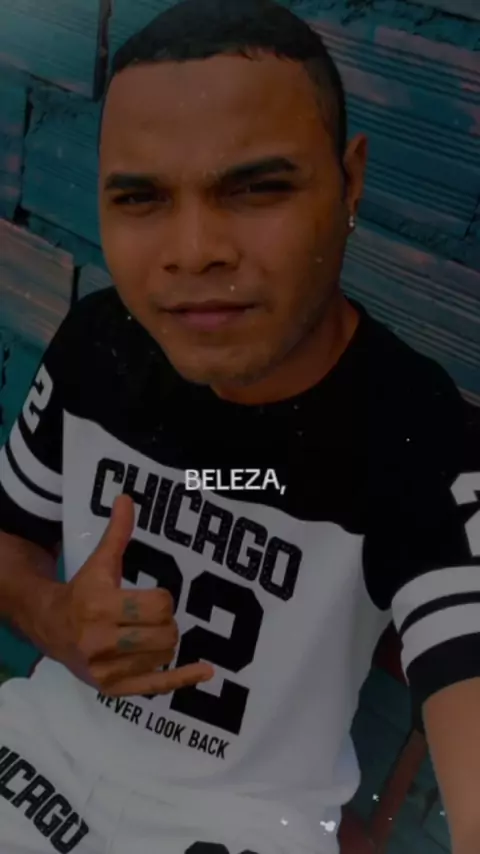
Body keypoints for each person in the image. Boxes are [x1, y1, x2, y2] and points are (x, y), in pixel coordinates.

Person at [0, 0, 479, 851]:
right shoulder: (100, 343)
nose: (194, 251)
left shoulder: (420, 441)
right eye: (141, 197)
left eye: (257, 189)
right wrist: (54, 618)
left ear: (350, 182)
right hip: (36, 764)